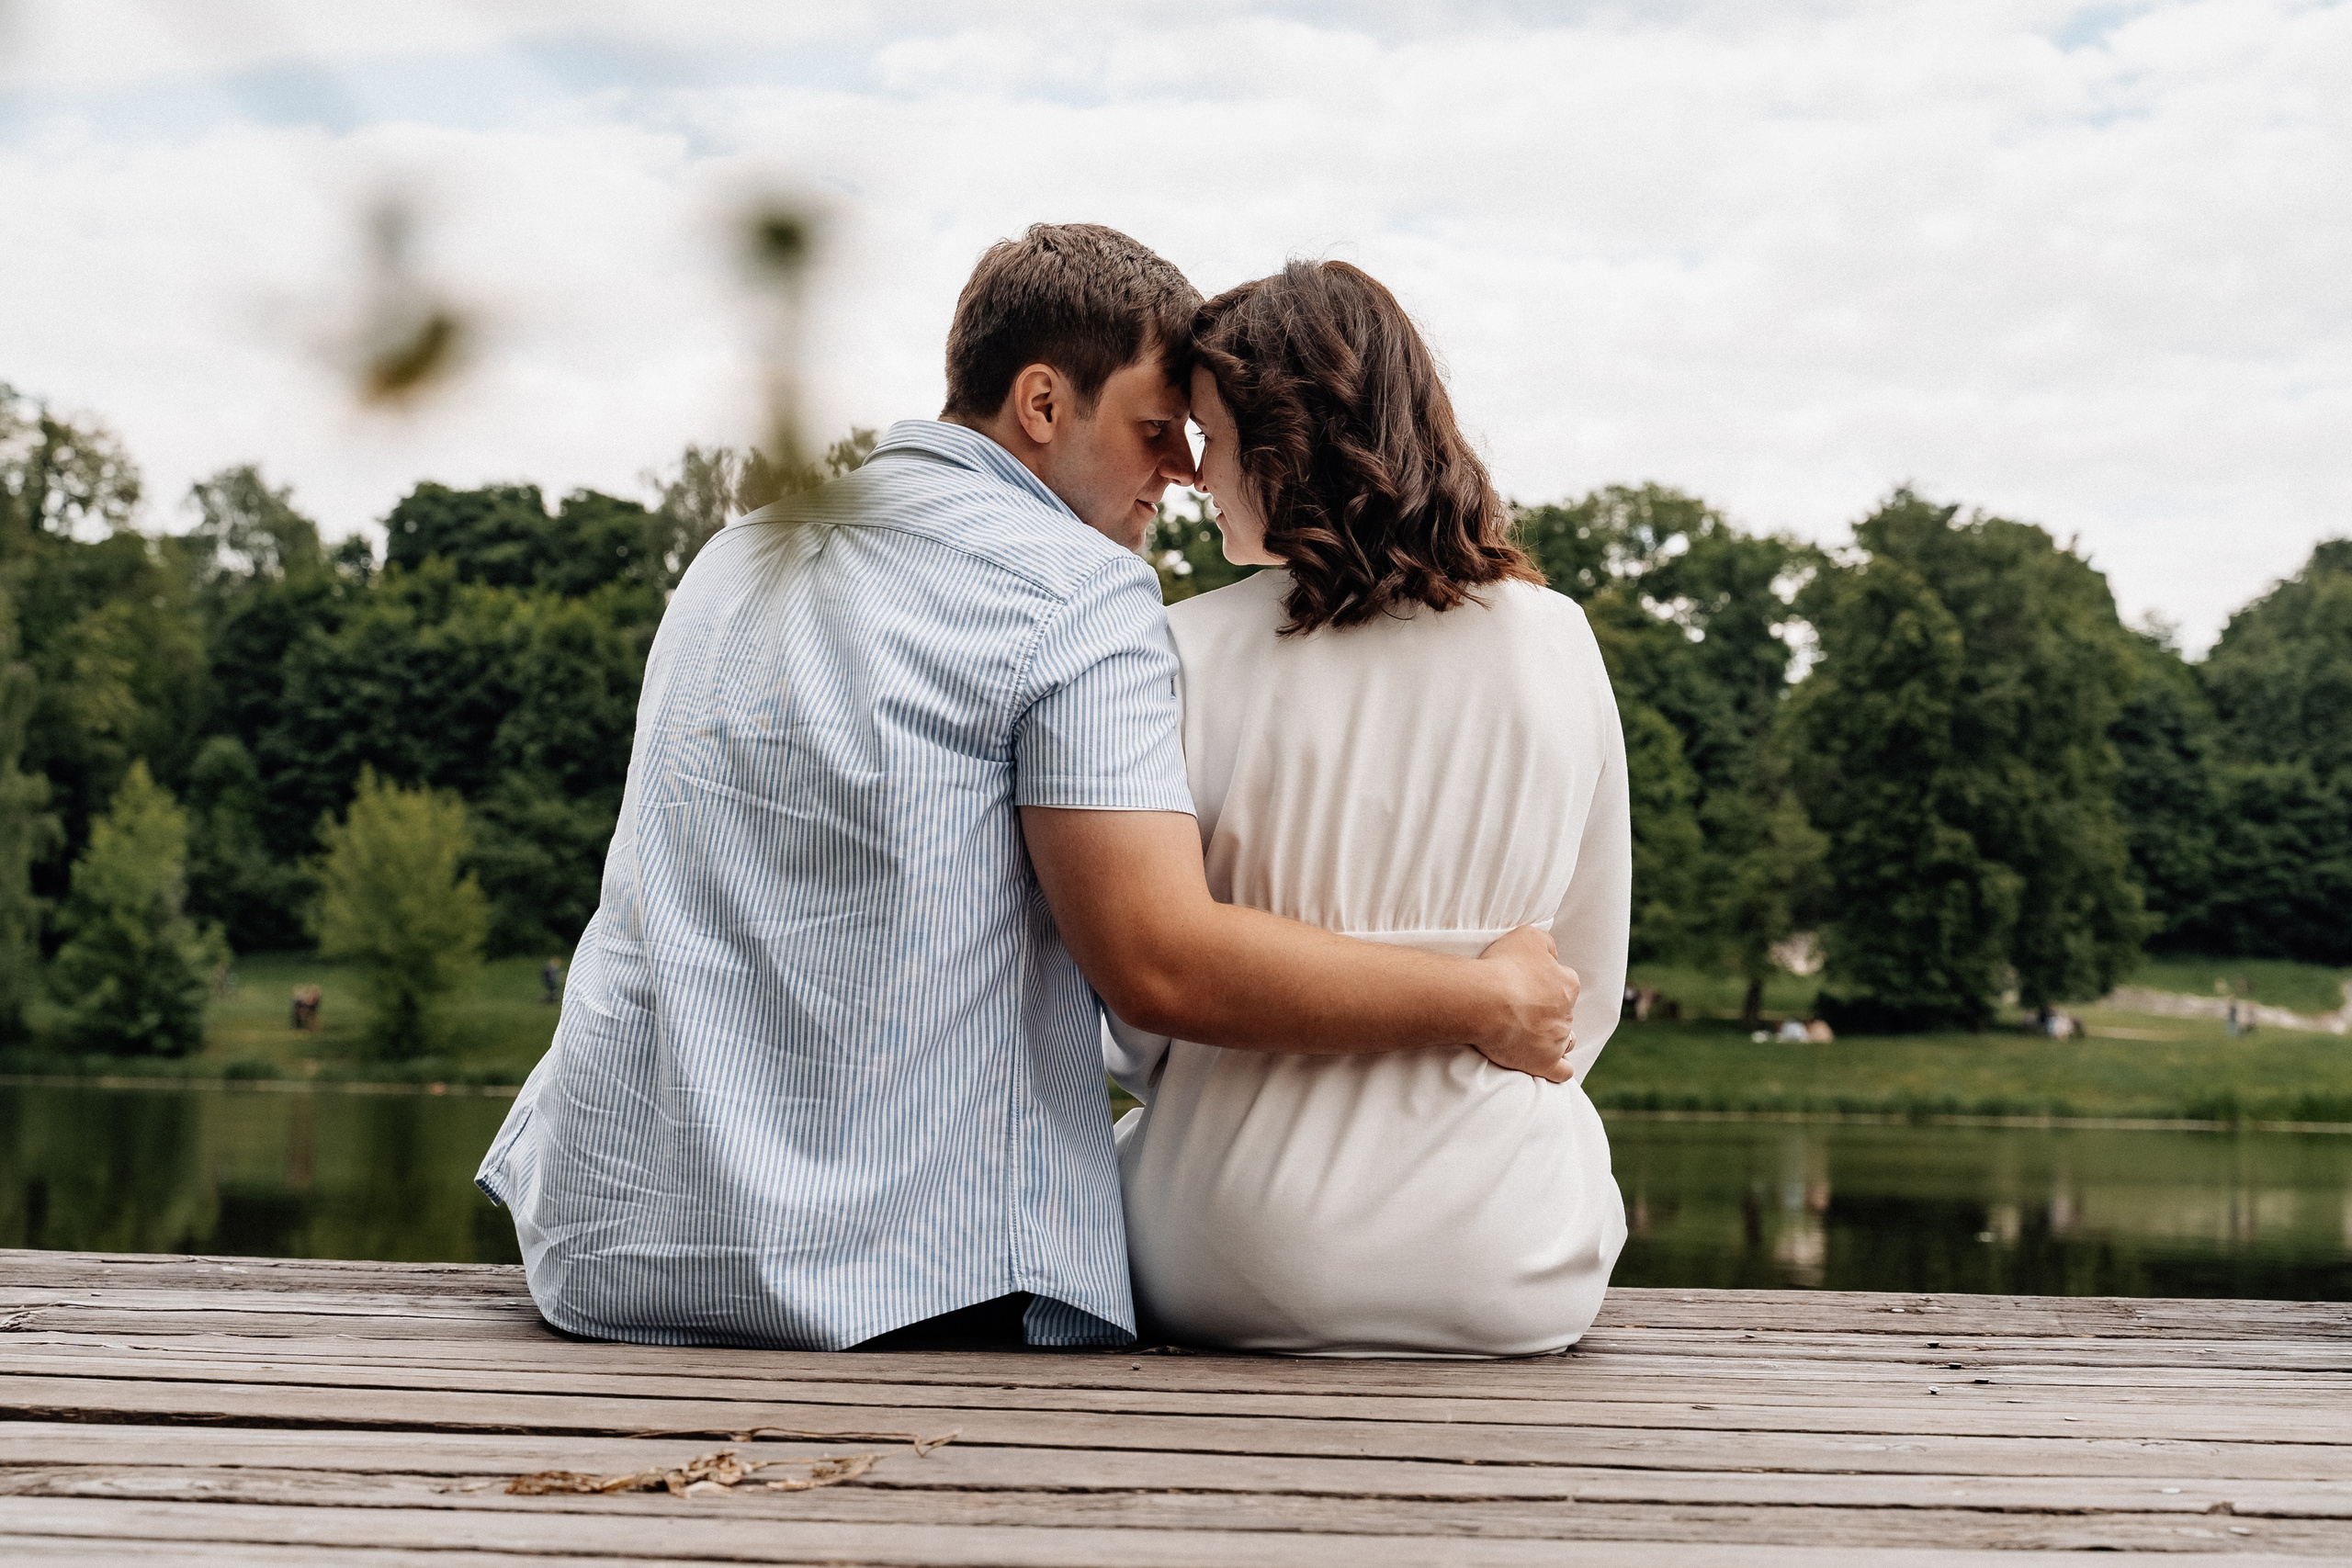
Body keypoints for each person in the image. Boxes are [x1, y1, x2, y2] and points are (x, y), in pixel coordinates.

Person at [473, 225, 1582, 1353]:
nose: (1184, 469)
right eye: (1156, 430)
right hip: (878, 1289)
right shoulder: (1075, 592)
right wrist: (1483, 999)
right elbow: (1157, 964)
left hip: (606, 1250)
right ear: (1042, 404)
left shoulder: (738, 554)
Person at [1109, 260, 1632, 1358]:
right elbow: (1576, 992)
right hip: (1513, 1255)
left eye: (1211, 437)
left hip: (1226, 1253)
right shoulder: (1557, 639)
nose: (1194, 475)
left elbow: (1144, 1018)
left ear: (1286, 443)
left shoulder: (1173, 653)